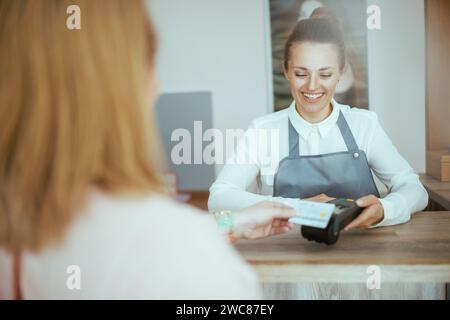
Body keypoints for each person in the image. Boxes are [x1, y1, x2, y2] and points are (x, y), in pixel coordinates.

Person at [0, 0, 295, 299]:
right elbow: (150, 243)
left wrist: (230, 224)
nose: (157, 86)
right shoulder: (194, 269)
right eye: (150, 64)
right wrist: (199, 237)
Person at [208, 16, 428, 230]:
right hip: (284, 254)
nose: (312, 86)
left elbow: (414, 189)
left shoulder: (364, 125)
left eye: (325, 74)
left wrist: (385, 209)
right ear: (286, 71)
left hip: (359, 252)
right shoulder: (263, 131)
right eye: (301, 73)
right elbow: (219, 197)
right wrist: (298, 208)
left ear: (341, 72)